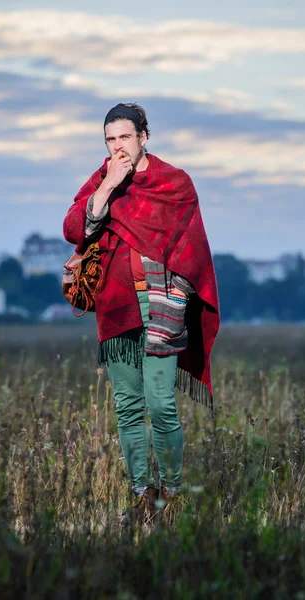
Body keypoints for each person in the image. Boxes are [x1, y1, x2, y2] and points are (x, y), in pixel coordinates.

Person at [63, 103, 220, 525]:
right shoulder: (103, 179)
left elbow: (191, 251)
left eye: (125, 138)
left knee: (161, 403)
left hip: (163, 303)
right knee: (128, 407)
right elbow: (74, 228)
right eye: (110, 140)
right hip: (116, 305)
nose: (118, 147)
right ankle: (141, 496)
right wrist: (108, 186)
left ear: (144, 137)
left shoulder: (174, 182)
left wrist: (180, 295)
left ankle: (172, 493)